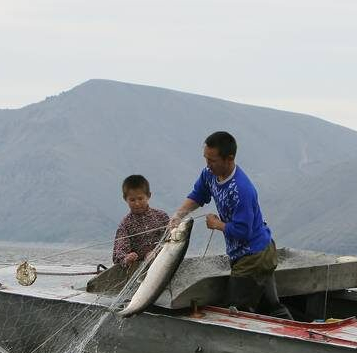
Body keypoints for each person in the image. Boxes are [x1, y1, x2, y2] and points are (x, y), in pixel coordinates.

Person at [170, 131, 293, 319]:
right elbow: (198, 194)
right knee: (272, 307)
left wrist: (217, 224)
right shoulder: (209, 174)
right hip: (256, 251)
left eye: (212, 161)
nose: (208, 165)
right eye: (206, 159)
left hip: (253, 256)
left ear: (229, 159)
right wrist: (179, 214)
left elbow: (243, 231)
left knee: (237, 312)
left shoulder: (241, 190)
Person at [113, 174, 170, 267]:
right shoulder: (125, 224)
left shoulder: (161, 217)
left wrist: (156, 252)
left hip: (163, 264)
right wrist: (127, 258)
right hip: (138, 269)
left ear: (148, 196)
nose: (137, 203)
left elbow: (171, 241)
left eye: (140, 198)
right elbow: (118, 253)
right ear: (125, 199)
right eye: (132, 200)